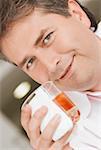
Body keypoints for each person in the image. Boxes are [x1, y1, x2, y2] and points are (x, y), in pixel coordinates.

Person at [0, 0, 101, 149]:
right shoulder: (68, 138)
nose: (50, 65)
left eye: (47, 38)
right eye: (30, 62)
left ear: (77, 15)